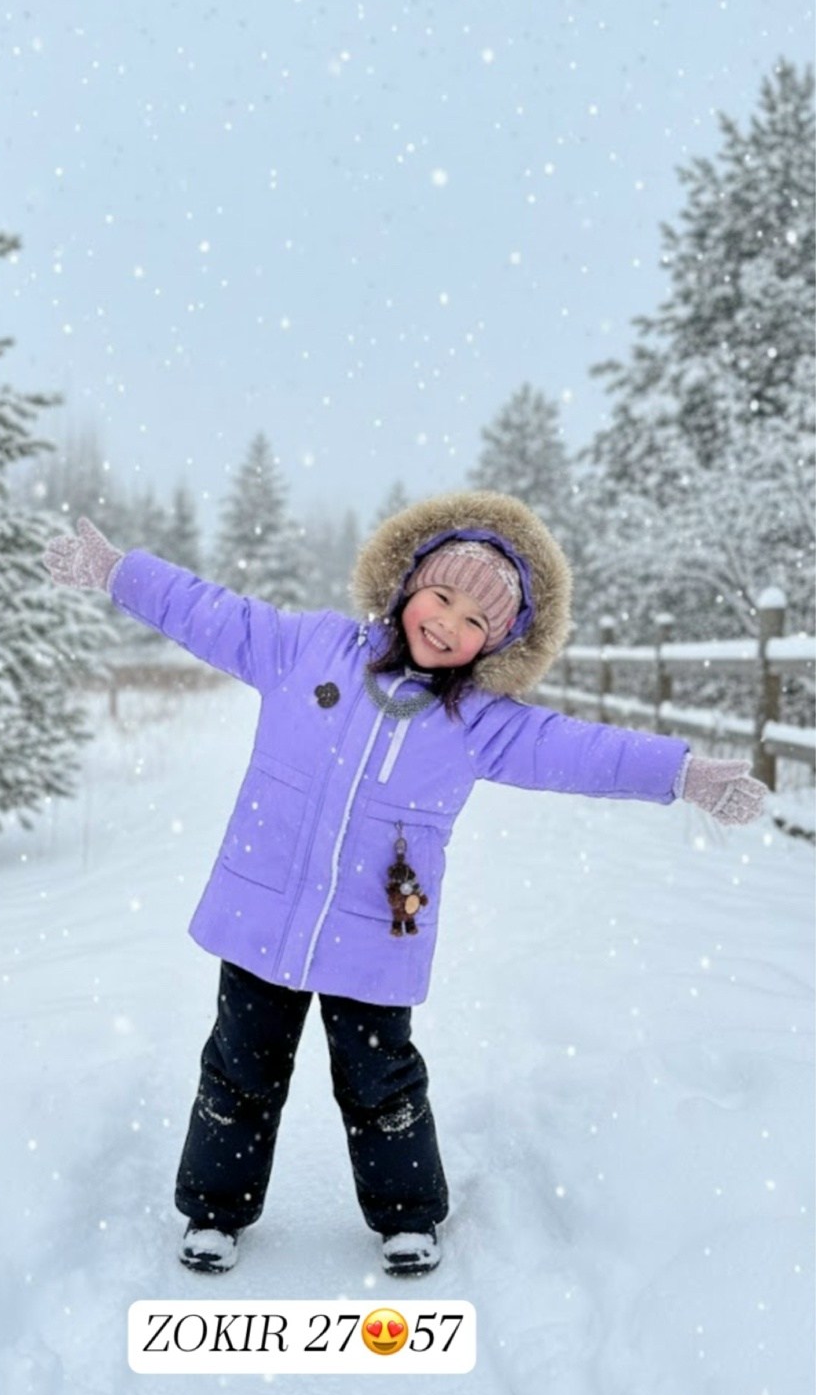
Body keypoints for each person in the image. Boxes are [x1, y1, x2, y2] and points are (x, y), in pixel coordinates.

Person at [43, 489, 766, 1277]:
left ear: (497, 645)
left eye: (475, 623)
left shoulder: (484, 723)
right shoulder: (306, 650)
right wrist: (120, 573)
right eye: (443, 597)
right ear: (408, 582)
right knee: (238, 1070)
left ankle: (406, 1216)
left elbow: (585, 751)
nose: (448, 624)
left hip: (377, 932)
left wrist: (683, 775)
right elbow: (210, 612)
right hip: (263, 913)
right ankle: (215, 1213)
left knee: (382, 1083)